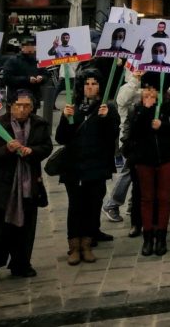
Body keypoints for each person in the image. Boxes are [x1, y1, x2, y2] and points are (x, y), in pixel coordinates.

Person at [0, 90, 52, 284]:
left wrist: (32, 151)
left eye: (26, 106)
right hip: (2, 187)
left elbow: (46, 147)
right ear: (10, 106)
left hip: (29, 184)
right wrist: (6, 150)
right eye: (18, 105)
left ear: (32, 107)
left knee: (25, 229)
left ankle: (21, 264)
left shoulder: (39, 124)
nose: (22, 109)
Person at [56, 68, 119, 264]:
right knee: (75, 206)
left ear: (100, 87)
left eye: (94, 84)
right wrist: (67, 119)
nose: (90, 88)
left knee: (93, 205)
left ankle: (87, 244)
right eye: (87, 84)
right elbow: (61, 138)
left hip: (96, 166)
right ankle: (74, 246)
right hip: (74, 167)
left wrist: (107, 118)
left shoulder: (106, 108)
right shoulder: (72, 107)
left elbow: (112, 138)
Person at [122, 72, 170, 256]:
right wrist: (144, 112)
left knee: (163, 198)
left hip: (167, 157)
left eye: (153, 93)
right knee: (146, 198)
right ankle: (148, 238)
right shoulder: (136, 109)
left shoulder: (169, 105)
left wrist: (162, 125)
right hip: (144, 159)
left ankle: (161, 237)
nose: (150, 96)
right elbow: (132, 133)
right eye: (146, 92)